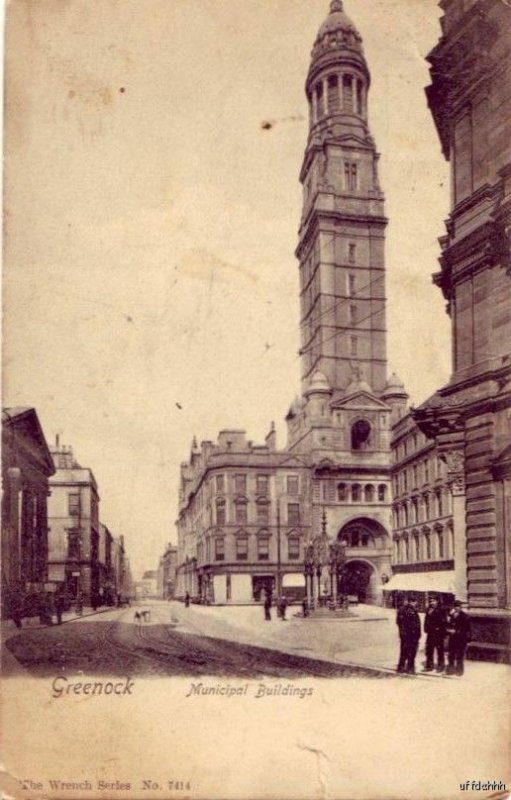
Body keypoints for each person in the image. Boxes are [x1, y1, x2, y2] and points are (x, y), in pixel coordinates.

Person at [446, 600, 471, 676]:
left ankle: (459, 671)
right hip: (452, 639)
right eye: (455, 606)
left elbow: (466, 629)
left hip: (461, 639)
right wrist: (448, 629)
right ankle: (451, 670)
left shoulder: (465, 616)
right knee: (451, 655)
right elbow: (449, 625)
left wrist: (456, 631)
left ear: (460, 607)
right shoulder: (452, 615)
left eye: (458, 606)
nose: (457, 608)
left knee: (459, 656)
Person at [396, 598, 421, 674]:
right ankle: (410, 669)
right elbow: (412, 624)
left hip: (406, 635)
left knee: (404, 652)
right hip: (410, 636)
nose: (416, 603)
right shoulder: (410, 610)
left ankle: (401, 667)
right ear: (412, 602)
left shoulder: (402, 610)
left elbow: (398, 622)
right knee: (411, 652)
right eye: (415, 602)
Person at [423, 597, 447, 672]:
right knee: (429, 650)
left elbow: (444, 622)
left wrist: (441, 631)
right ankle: (429, 666)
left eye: (433, 601)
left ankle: (441, 667)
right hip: (430, 634)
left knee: (440, 651)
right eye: (431, 601)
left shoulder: (441, 610)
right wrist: (426, 629)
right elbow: (426, 621)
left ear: (437, 601)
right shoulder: (428, 610)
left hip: (438, 634)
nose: (432, 603)